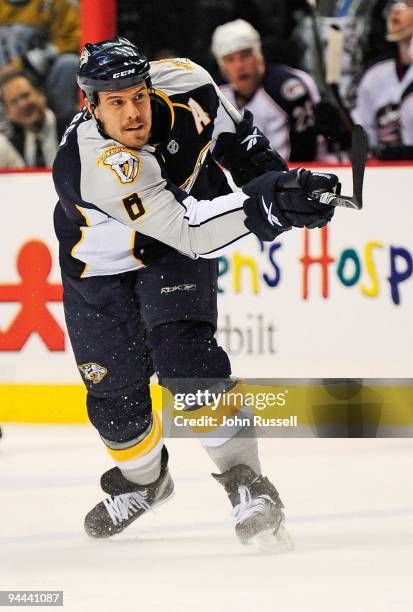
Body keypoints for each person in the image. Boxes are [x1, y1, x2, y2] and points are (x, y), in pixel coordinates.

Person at [53, 36, 338, 547]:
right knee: (115, 402)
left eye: (138, 95)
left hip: (171, 253)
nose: (133, 113)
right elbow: (191, 228)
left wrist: (283, 186)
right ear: (89, 104)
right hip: (100, 266)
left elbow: (238, 142)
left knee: (188, 362)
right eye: (115, 103)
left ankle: (249, 484)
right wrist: (270, 205)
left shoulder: (187, 81)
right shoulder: (89, 162)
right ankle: (145, 482)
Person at [211, 19, 321, 162]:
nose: (239, 66)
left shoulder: (289, 87)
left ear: (258, 53)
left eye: (245, 55)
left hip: (297, 177)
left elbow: (309, 150)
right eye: (230, 59)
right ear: (222, 65)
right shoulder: (214, 95)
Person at [0, 0, 80, 125]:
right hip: (3, 76)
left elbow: (72, 38)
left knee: (69, 64)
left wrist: (28, 62)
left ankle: (64, 125)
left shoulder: (54, 3)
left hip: (43, 76)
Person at [353, 0, 413, 154]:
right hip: (386, 169)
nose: (400, 10)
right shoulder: (375, 74)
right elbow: (364, 132)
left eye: (409, 5)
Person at [0, 70, 64, 167]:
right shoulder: (14, 145)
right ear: (8, 113)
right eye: (14, 102)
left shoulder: (74, 128)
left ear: (41, 95)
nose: (22, 104)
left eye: (25, 95)